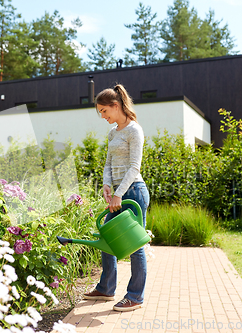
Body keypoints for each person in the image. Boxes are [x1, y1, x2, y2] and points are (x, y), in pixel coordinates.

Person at [83, 84, 150, 312]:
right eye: (100, 112)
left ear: (116, 105)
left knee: (135, 245)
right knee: (107, 236)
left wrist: (119, 193)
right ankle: (106, 288)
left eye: (104, 111)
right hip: (117, 195)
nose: (102, 116)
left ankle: (135, 296)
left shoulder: (134, 130)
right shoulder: (113, 132)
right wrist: (106, 184)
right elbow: (108, 164)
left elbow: (134, 167)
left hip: (133, 193)